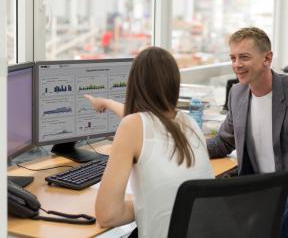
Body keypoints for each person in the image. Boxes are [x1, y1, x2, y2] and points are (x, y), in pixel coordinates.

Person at [85, 46, 214, 238]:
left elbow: (108, 216)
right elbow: (148, 122)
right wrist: (106, 102)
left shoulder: (132, 127)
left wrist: (149, 204)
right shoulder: (190, 123)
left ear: (134, 84)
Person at [206, 27, 288, 237]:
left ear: (267, 58)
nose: (236, 65)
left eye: (244, 57)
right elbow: (224, 142)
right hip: (256, 189)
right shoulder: (238, 93)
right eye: (233, 58)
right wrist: (182, 146)